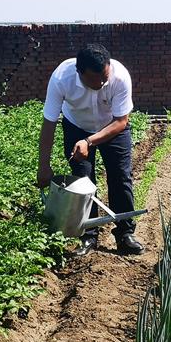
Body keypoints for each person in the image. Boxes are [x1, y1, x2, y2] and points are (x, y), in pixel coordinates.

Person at [36, 43, 144, 256]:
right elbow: (48, 123)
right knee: (82, 181)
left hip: (112, 128)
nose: (102, 82)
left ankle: (125, 233)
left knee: (120, 177)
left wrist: (89, 141)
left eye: (104, 77)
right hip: (76, 126)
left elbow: (121, 121)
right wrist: (43, 166)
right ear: (80, 73)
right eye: (95, 80)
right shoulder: (61, 79)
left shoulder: (120, 77)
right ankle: (88, 235)